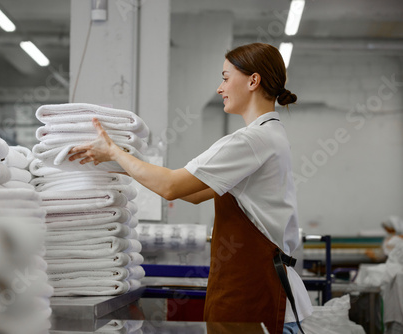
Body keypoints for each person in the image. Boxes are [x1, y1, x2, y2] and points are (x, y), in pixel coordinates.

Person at [68, 43, 313, 334]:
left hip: (256, 296)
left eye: (225, 76)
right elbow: (194, 194)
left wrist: (115, 153)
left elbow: (172, 186)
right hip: (258, 291)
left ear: (253, 80)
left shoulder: (252, 140)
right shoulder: (270, 136)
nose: (220, 87)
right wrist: (121, 161)